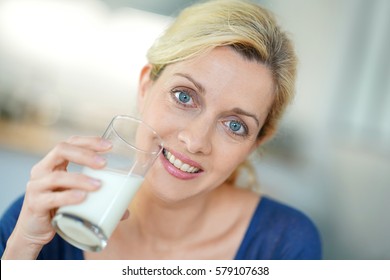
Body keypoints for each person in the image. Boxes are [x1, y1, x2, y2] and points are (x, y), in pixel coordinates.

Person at [0, 0, 321, 259]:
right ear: (145, 87)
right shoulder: (37, 225)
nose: (195, 140)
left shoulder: (284, 246)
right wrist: (20, 251)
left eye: (235, 125)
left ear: (254, 144)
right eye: (184, 97)